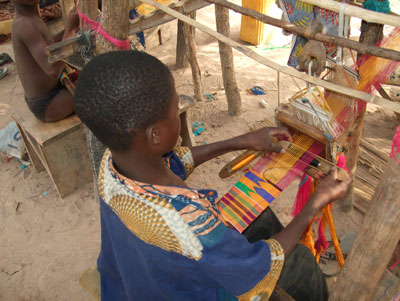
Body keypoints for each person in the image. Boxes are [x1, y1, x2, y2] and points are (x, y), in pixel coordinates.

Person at [74, 51, 352, 300]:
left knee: (259, 215)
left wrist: (244, 140)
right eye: (174, 110)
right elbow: (256, 270)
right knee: (301, 263)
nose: (178, 114)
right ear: (155, 134)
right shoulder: (189, 224)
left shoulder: (113, 165)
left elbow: (176, 162)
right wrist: (316, 202)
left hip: (138, 278)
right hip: (185, 292)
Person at [12, 0, 79, 122]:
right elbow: (51, 68)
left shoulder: (31, 17)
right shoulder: (25, 24)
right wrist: (70, 30)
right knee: (102, 88)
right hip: (49, 103)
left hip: (55, 90)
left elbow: (48, 48)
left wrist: (69, 30)